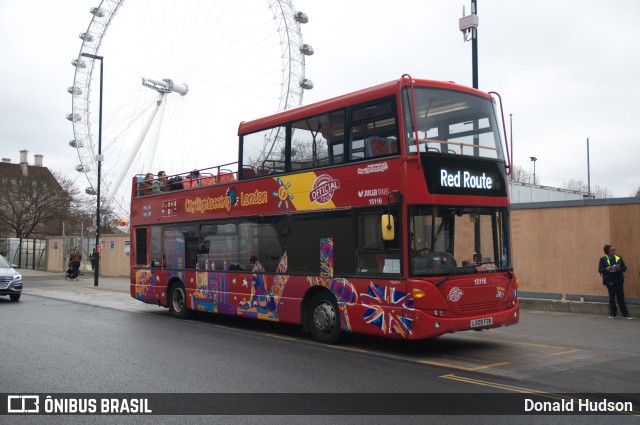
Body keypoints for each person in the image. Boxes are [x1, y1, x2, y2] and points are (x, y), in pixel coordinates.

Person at [598, 244, 632, 319]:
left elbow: (624, 268)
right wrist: (607, 268)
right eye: (612, 250)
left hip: (618, 279)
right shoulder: (603, 259)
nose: (614, 251)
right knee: (612, 297)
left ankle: (626, 314)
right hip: (609, 280)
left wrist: (619, 269)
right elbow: (600, 270)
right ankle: (612, 313)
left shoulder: (618, 257)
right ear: (607, 251)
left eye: (614, 249)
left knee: (621, 296)